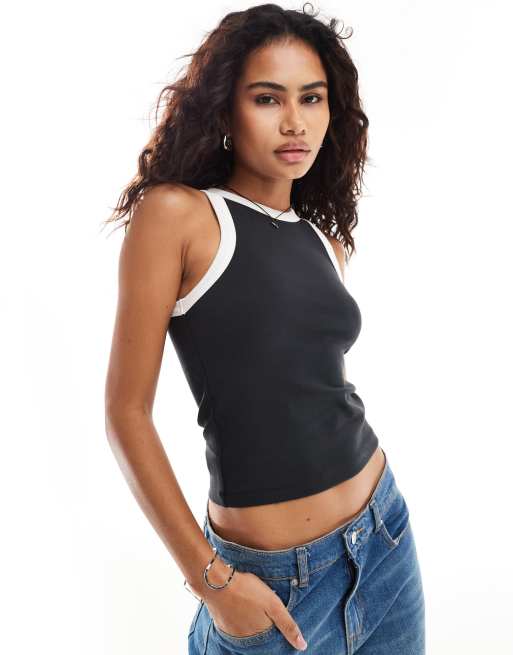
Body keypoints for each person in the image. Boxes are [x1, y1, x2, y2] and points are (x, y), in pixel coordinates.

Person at [103, 3, 425, 653]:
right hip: (275, 584)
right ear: (225, 109)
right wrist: (215, 583)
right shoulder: (180, 216)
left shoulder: (324, 243)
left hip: (383, 540)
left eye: (311, 98)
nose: (293, 121)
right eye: (267, 98)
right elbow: (125, 414)